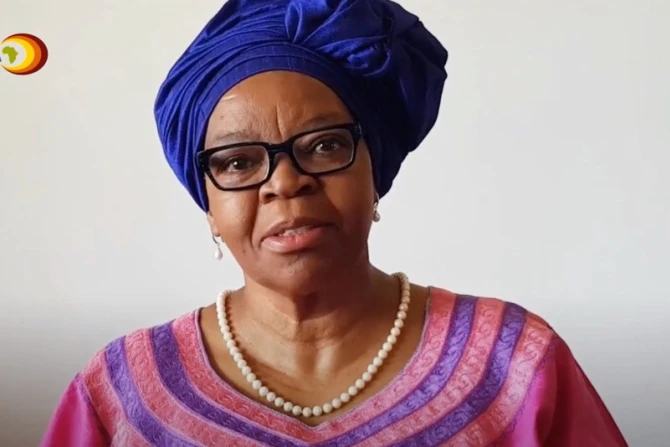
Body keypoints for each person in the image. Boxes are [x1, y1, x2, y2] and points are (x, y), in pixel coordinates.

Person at [41, 0, 628, 445]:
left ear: (376, 173)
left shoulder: (514, 362)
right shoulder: (120, 392)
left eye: (323, 146)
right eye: (238, 162)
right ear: (209, 204)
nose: (284, 182)